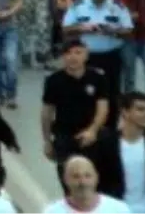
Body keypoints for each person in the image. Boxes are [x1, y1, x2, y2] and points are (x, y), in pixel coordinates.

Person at [62, 0, 132, 128]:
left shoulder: (117, 5)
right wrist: (83, 28)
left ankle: (111, 127)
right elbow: (66, 28)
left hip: (111, 55)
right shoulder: (79, 5)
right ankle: (86, 123)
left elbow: (129, 30)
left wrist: (113, 31)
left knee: (112, 92)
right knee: (85, 91)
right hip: (87, 57)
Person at [41, 39, 109, 172]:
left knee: (95, 176)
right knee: (67, 177)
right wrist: (47, 141)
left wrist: (92, 130)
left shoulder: (97, 78)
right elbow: (46, 113)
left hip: (91, 136)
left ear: (86, 56)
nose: (73, 57)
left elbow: (103, 108)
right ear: (63, 57)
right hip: (64, 136)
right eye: (68, 53)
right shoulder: (53, 80)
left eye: (78, 53)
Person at [41, 155, 131, 214]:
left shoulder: (119, 210)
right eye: (76, 176)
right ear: (65, 180)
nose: (83, 182)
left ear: (96, 178)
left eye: (87, 176)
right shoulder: (52, 212)